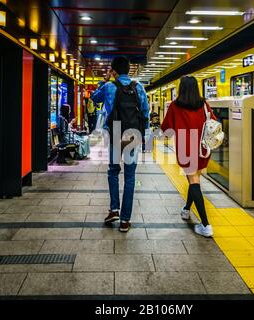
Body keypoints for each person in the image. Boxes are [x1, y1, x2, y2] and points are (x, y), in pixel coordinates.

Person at [91, 56, 149, 232]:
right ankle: (125, 220)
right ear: (129, 70)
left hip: (115, 131)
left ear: (113, 71)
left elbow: (94, 98)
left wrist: (104, 80)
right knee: (130, 177)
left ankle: (114, 209)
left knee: (113, 172)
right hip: (133, 134)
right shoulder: (138, 87)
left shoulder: (109, 87)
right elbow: (145, 112)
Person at [160, 75, 216, 237]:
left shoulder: (175, 106)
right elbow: (213, 121)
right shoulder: (204, 104)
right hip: (203, 147)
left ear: (181, 88)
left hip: (186, 147)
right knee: (194, 180)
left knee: (193, 181)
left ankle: (205, 225)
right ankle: (186, 209)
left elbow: (166, 130)